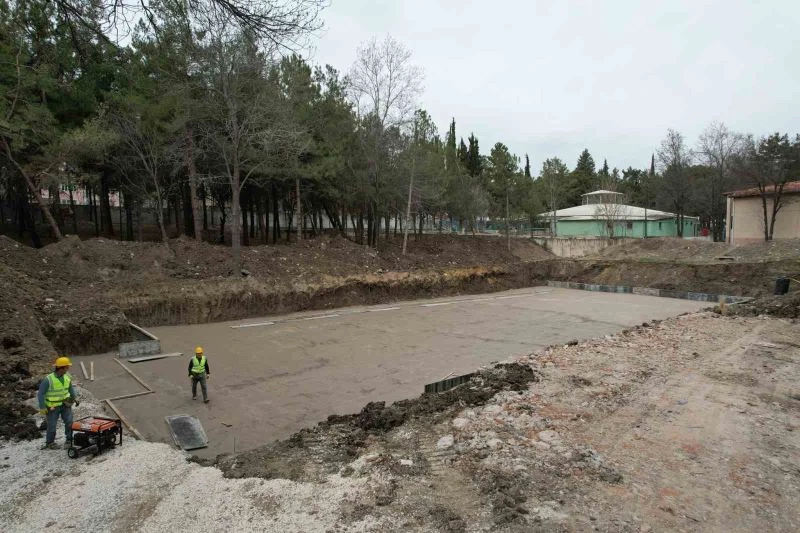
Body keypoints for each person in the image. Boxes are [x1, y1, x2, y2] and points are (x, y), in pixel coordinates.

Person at [38, 356, 79, 450]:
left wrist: (75, 398)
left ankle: (69, 440)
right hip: (52, 407)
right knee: (52, 425)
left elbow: (70, 389)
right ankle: (50, 442)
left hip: (65, 404)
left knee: (69, 422)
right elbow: (41, 394)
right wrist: (42, 407)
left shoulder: (67, 377)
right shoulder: (48, 379)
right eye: (67, 367)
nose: (68, 369)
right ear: (61, 368)